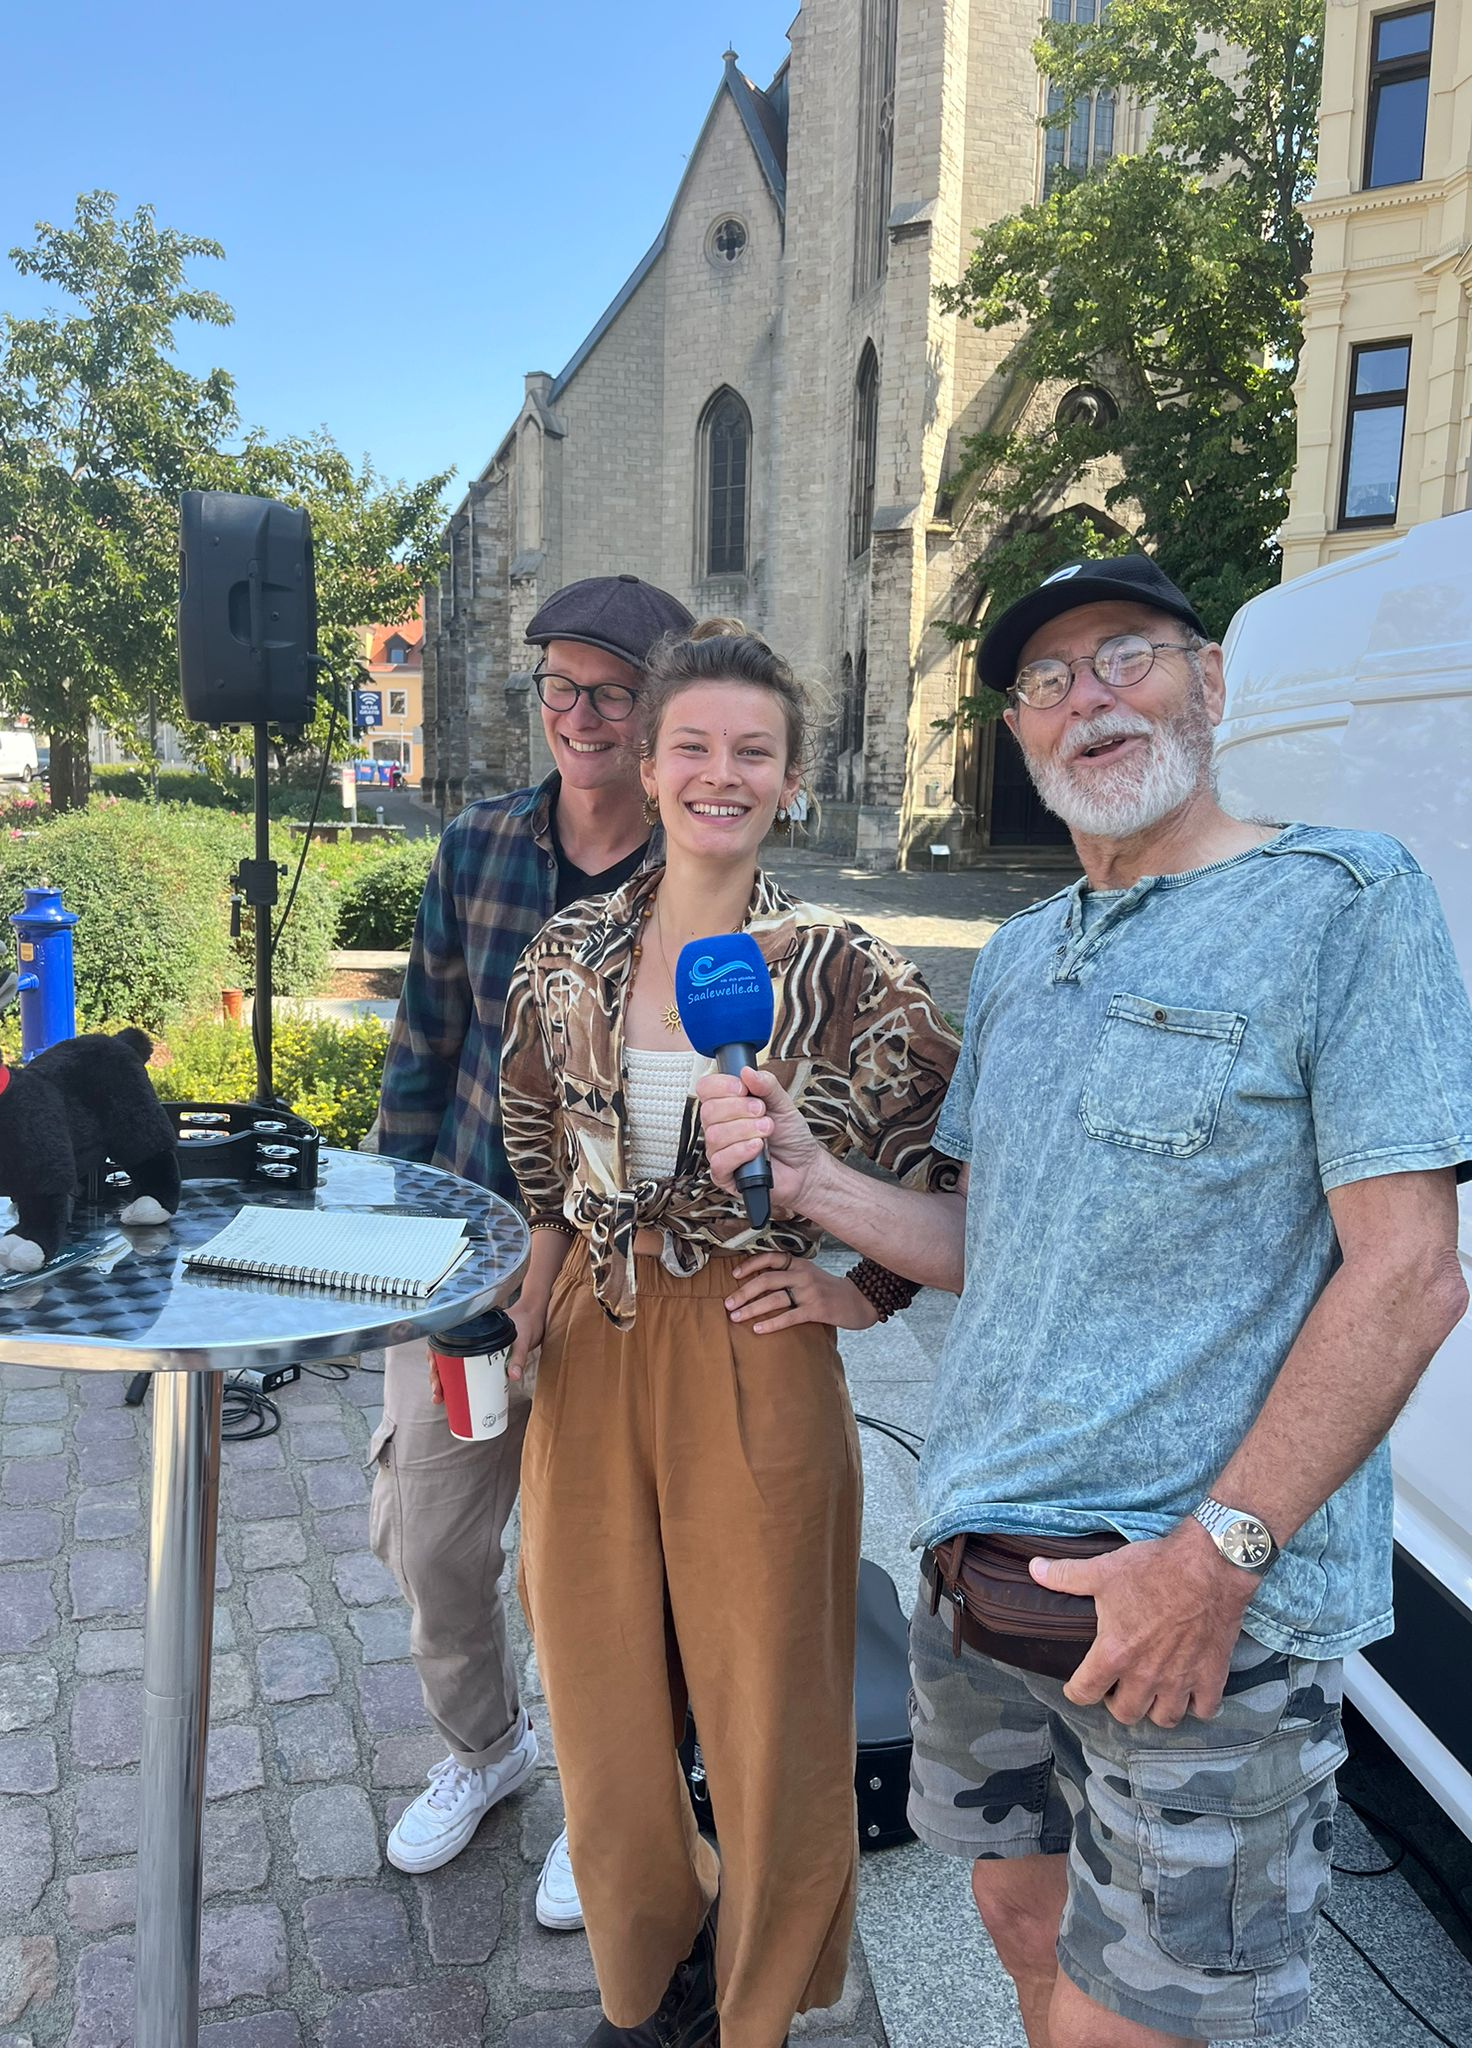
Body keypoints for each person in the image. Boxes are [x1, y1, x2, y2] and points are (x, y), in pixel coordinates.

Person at [698, 555, 1472, 2048]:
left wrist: (1216, 1559)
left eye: (1128, 656)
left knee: (1148, 2023)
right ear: (1019, 733)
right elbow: (991, 1240)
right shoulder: (1022, 958)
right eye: (1047, 681)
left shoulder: (1343, 901)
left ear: (1211, 681)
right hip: (985, 1585)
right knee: (1020, 1923)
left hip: (1196, 1617)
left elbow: (1410, 1274)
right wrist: (812, 1179)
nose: (1089, 700)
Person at [499, 629, 961, 2048]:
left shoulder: (848, 971)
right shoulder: (568, 950)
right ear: (645, 766)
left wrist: (861, 1294)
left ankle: (753, 2011)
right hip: (591, 1338)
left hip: (753, 1339)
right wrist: (526, 1305)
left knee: (768, 1707)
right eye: (692, 745)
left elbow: (955, 1179)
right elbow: (537, 1148)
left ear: (791, 779)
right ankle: (654, 1983)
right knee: (600, 1695)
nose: (721, 773)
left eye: (752, 751)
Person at [371, 573, 694, 1926]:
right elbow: (421, 1050)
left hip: (620, 1281)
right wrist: (405, 1245)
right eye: (563, 686)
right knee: (431, 1538)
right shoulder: (477, 848)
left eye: (614, 692)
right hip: (465, 1262)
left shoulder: (700, 877)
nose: (582, 714)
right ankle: (484, 1751)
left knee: (598, 1565)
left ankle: (606, 1801)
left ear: (660, 708)